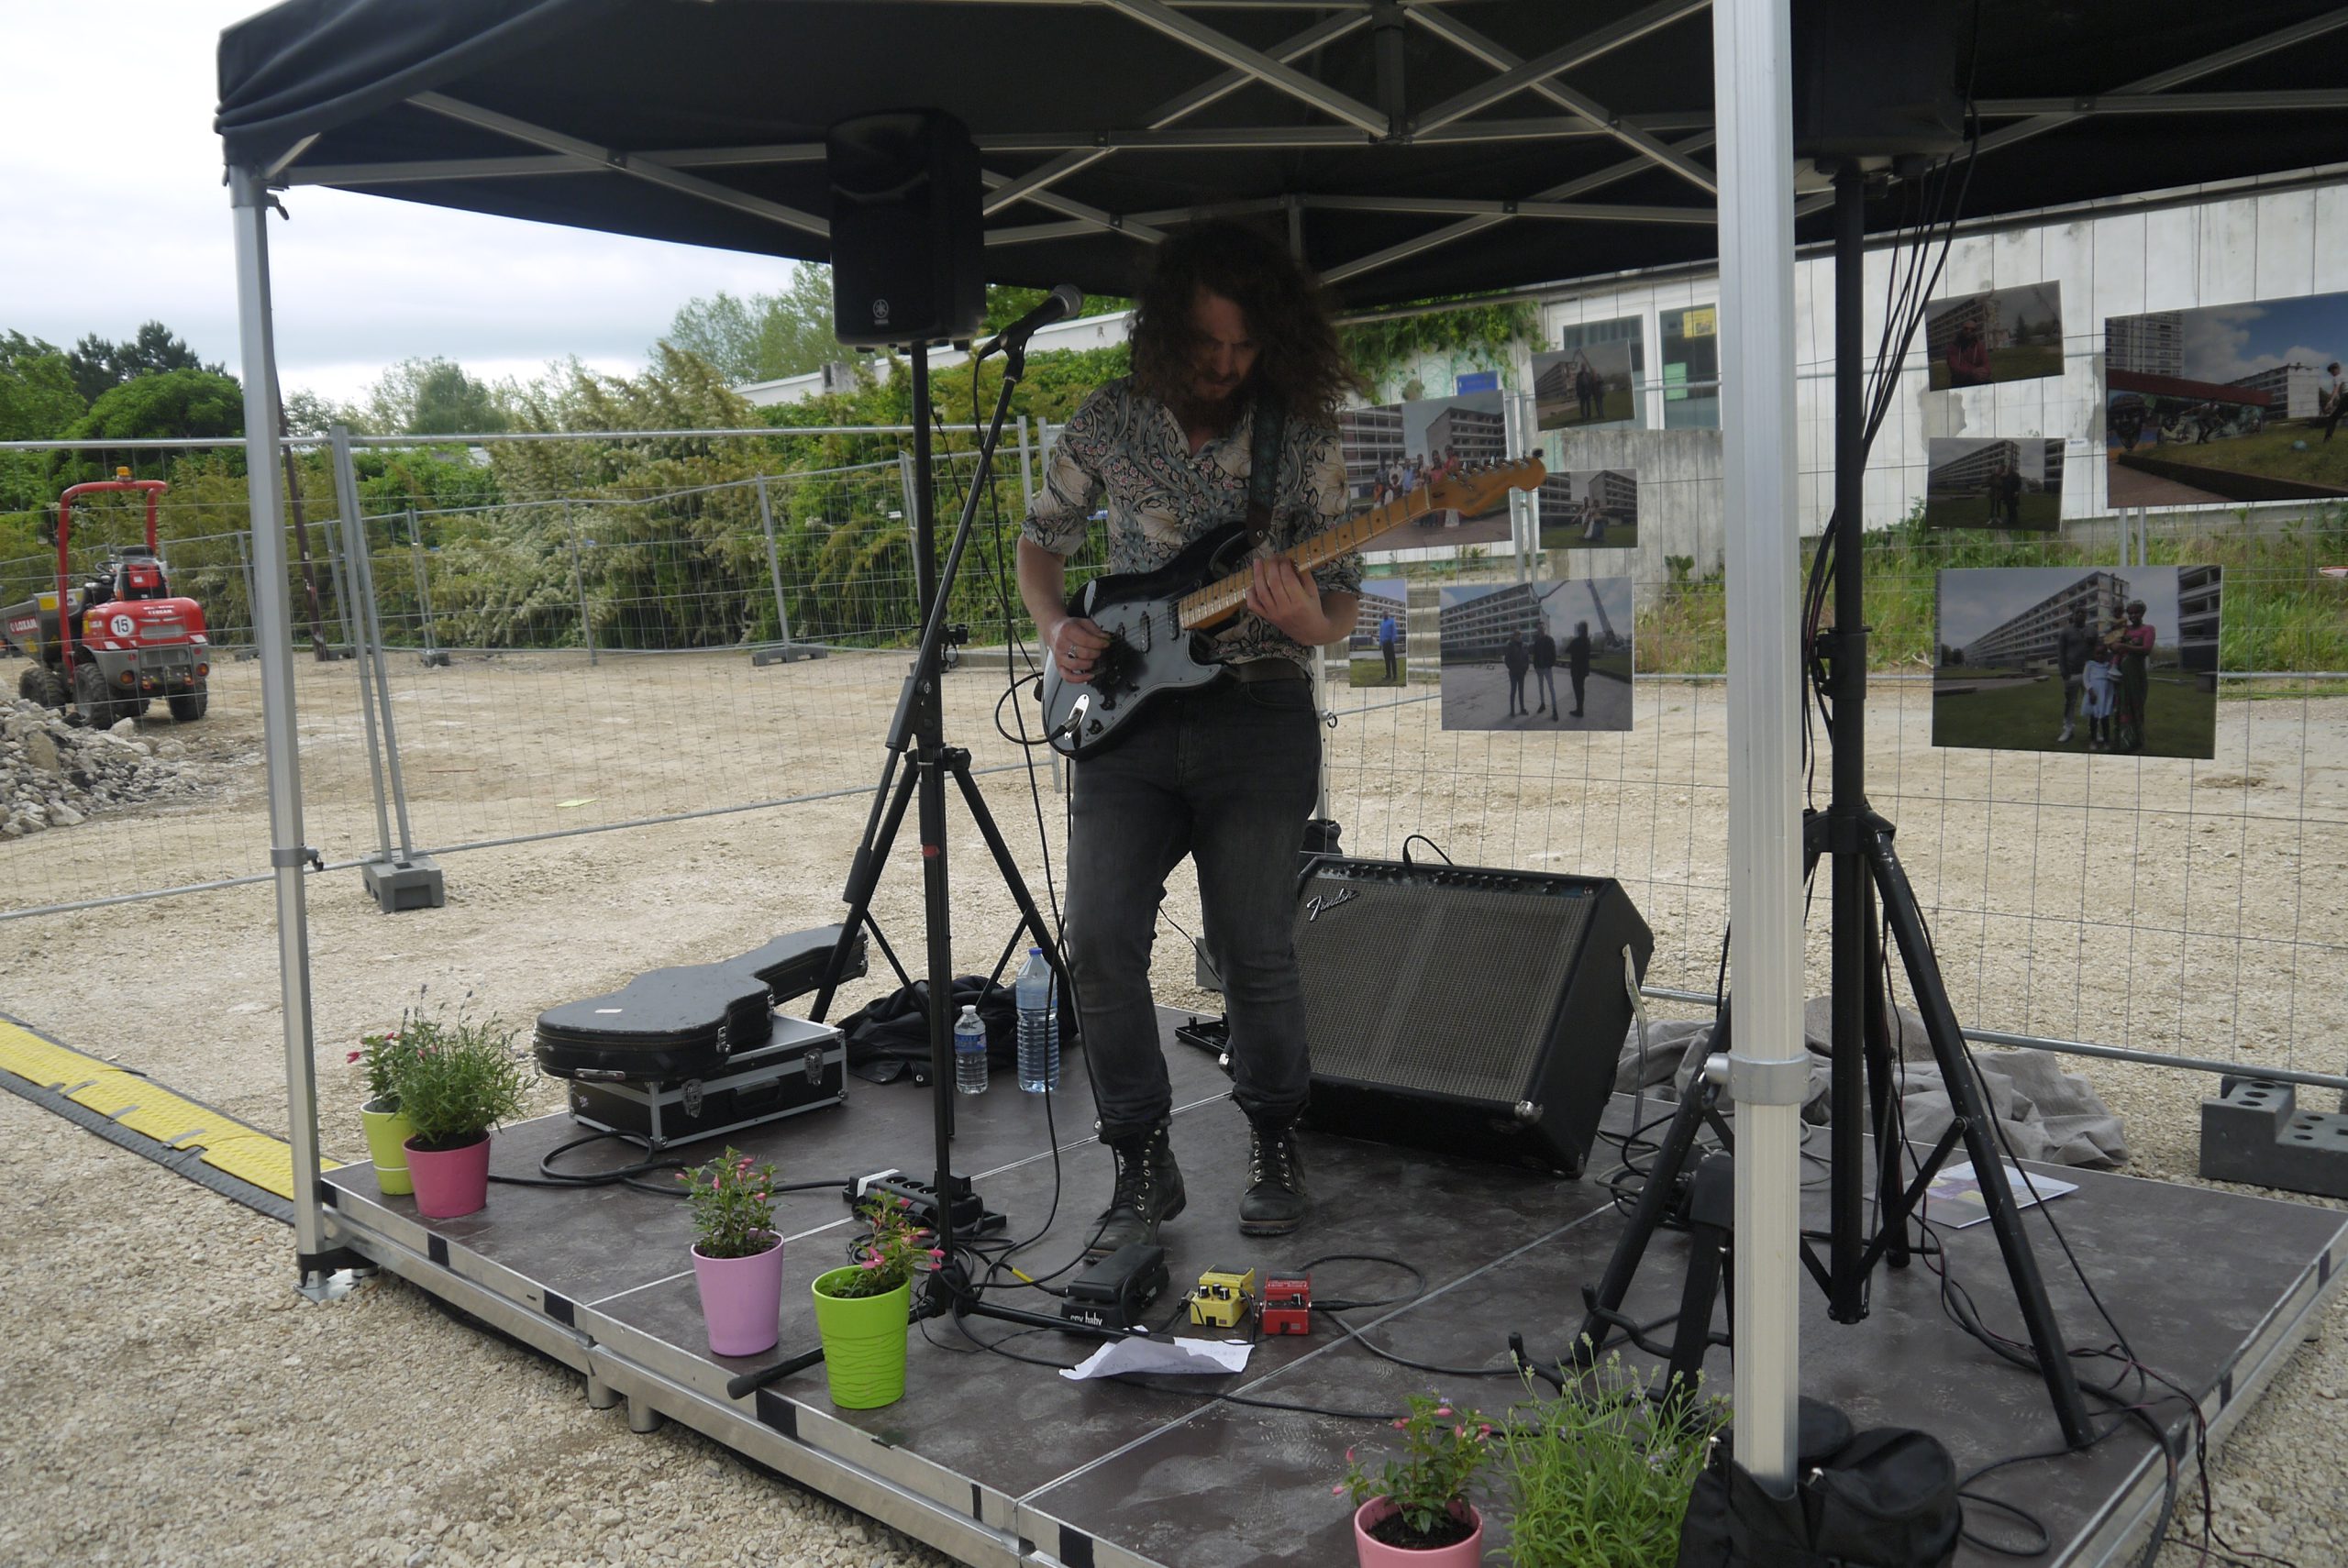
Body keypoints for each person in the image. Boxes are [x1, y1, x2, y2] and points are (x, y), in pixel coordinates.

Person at [1017, 222, 1361, 1248]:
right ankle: (1138, 1157)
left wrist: (1308, 621)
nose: (1224, 365)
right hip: (1125, 714)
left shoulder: (1301, 433)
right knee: (1100, 940)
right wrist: (1057, 627)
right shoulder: (1108, 421)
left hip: (1256, 709)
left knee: (1250, 947)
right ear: (1168, 332)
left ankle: (1274, 1140)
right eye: (1208, 345)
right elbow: (1042, 543)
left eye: (1245, 348)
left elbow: (1341, 601)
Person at [2108, 599, 2155, 753]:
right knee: (2121, 708)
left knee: (2136, 708)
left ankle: (2137, 742)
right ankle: (2121, 742)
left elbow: (2147, 649)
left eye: (2137, 612)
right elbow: (2109, 643)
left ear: (2143, 613)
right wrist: (2114, 643)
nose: (2133, 615)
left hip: (2136, 676)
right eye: (2131, 613)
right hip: (2121, 675)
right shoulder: (2124, 629)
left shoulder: (2148, 629)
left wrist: (2123, 646)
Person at [2054, 606, 2098, 745]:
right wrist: (2063, 671)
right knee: (2069, 703)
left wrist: (2094, 643)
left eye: (2083, 613)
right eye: (2077, 612)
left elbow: (2099, 650)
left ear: (2086, 615)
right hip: (2072, 673)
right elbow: (2060, 653)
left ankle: (2094, 730)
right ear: (2073, 615)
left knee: (2092, 702)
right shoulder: (2065, 631)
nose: (2080, 615)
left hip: (2090, 675)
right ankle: (2068, 729)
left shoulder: (2092, 630)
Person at [2081, 632, 2117, 751]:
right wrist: (2090, 692)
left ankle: (2107, 741)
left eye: (2102, 653)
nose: (2100, 656)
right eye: (2097, 653)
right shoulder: (2090, 665)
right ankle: (2093, 740)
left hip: (2105, 695)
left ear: (2106, 654)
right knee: (2094, 719)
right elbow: (2086, 679)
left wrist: (2112, 696)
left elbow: (2111, 681)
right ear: (2094, 654)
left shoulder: (2107, 665)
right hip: (2094, 695)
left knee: (2105, 719)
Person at [1945, 319, 1990, 386]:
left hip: (1977, 379)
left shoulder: (1980, 346)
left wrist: (1985, 372)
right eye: (1966, 329)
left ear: (1975, 332)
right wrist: (1972, 372)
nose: (1969, 331)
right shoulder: (1953, 347)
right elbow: (1955, 368)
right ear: (1961, 330)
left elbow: (1986, 363)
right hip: (1960, 381)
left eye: (1972, 330)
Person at [1531, 622, 1559, 718]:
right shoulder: (1537, 641)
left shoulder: (1550, 640)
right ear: (1538, 630)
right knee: (1541, 688)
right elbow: (1535, 655)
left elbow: (1554, 655)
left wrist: (1549, 665)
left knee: (1551, 688)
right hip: (1539, 669)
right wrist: (1535, 667)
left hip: (1547, 668)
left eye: (1542, 628)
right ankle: (1542, 704)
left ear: (1545, 629)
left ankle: (1555, 710)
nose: (1540, 630)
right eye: (1539, 629)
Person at [1565, 621, 1593, 718]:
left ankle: (1579, 711)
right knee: (1581, 690)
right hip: (1584, 670)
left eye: (1578, 628)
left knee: (1578, 690)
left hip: (1576, 670)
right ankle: (1580, 709)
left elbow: (1567, 650)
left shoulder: (1576, 641)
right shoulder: (1587, 641)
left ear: (1580, 630)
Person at [1502, 633, 1530, 715]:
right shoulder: (1510, 646)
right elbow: (1507, 660)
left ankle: (1522, 709)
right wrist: (1512, 668)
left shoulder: (1524, 646)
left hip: (1521, 673)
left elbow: (1526, 659)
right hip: (1513, 674)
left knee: (1521, 692)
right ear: (1514, 637)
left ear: (1521, 636)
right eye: (1516, 635)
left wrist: (1525, 669)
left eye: (1519, 635)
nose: (1518, 637)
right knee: (1513, 691)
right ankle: (1512, 711)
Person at [2322, 361, 2345, 444]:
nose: (2332, 374)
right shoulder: (2345, 376)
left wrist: (2331, 401)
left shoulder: (2337, 377)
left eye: (2332, 372)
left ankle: (2327, 439)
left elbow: (2336, 388)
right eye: (2330, 373)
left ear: (2337, 369)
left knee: (2332, 418)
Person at [1377, 607, 1399, 684]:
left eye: (1386, 613)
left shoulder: (1392, 621)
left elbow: (1394, 632)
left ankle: (1395, 675)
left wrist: (1392, 641)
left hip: (1390, 643)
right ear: (1382, 615)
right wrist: (1380, 643)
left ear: (1388, 614)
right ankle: (1388, 675)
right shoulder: (1382, 623)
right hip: (1384, 644)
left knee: (1392, 660)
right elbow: (1381, 633)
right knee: (1386, 660)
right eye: (1384, 613)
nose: (1385, 614)